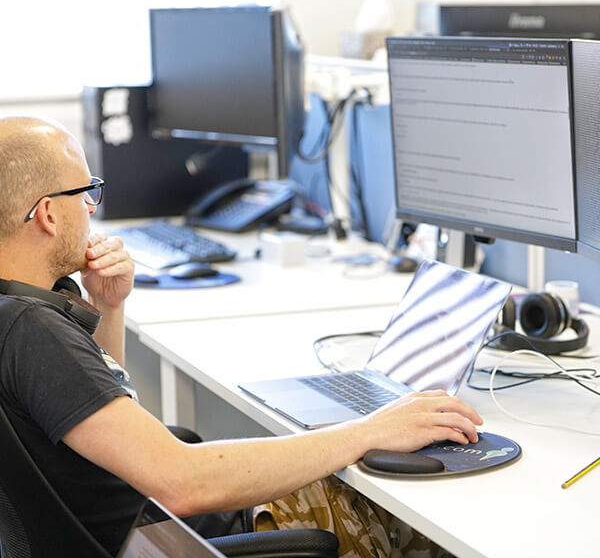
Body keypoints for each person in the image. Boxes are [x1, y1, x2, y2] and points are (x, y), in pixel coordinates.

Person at [0, 116, 483, 557]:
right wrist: (372, 429)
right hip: (165, 538)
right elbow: (180, 481)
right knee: (416, 520)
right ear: (47, 214)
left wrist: (108, 304)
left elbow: (92, 412)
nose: (91, 207)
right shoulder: (32, 330)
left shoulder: (26, 307)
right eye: (86, 193)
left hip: (143, 529)